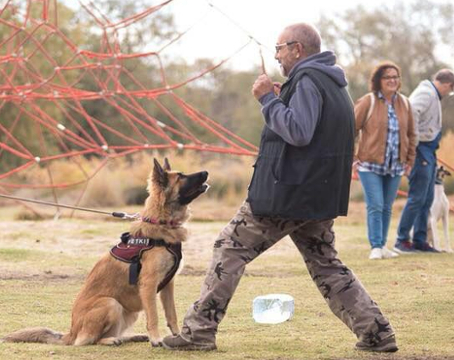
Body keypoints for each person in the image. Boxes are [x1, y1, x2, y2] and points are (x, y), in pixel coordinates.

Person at [161, 23, 398, 353]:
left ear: (297, 49)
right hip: (317, 196)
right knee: (326, 264)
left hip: (287, 195)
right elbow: (309, 131)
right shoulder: (331, 83)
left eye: (279, 49)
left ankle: (199, 331)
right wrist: (279, 98)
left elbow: (299, 132)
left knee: (229, 248)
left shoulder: (308, 81)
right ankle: (377, 333)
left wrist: (267, 100)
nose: (276, 55)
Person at [354, 63, 416, 260]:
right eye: (387, 77)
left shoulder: (405, 103)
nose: (392, 80)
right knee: (376, 204)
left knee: (387, 207)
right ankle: (376, 246)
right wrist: (352, 158)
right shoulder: (368, 101)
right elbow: (350, 129)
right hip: (369, 164)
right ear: (378, 81)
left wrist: (409, 160)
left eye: (395, 77)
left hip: (395, 165)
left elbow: (412, 134)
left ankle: (383, 245)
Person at [394, 69, 454, 254]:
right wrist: (415, 142)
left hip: (429, 150)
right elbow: (411, 113)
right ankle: (402, 240)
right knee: (417, 196)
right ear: (447, 85)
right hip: (421, 150)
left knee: (427, 197)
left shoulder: (432, 94)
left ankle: (420, 240)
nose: (448, 93)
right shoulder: (426, 93)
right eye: (450, 90)